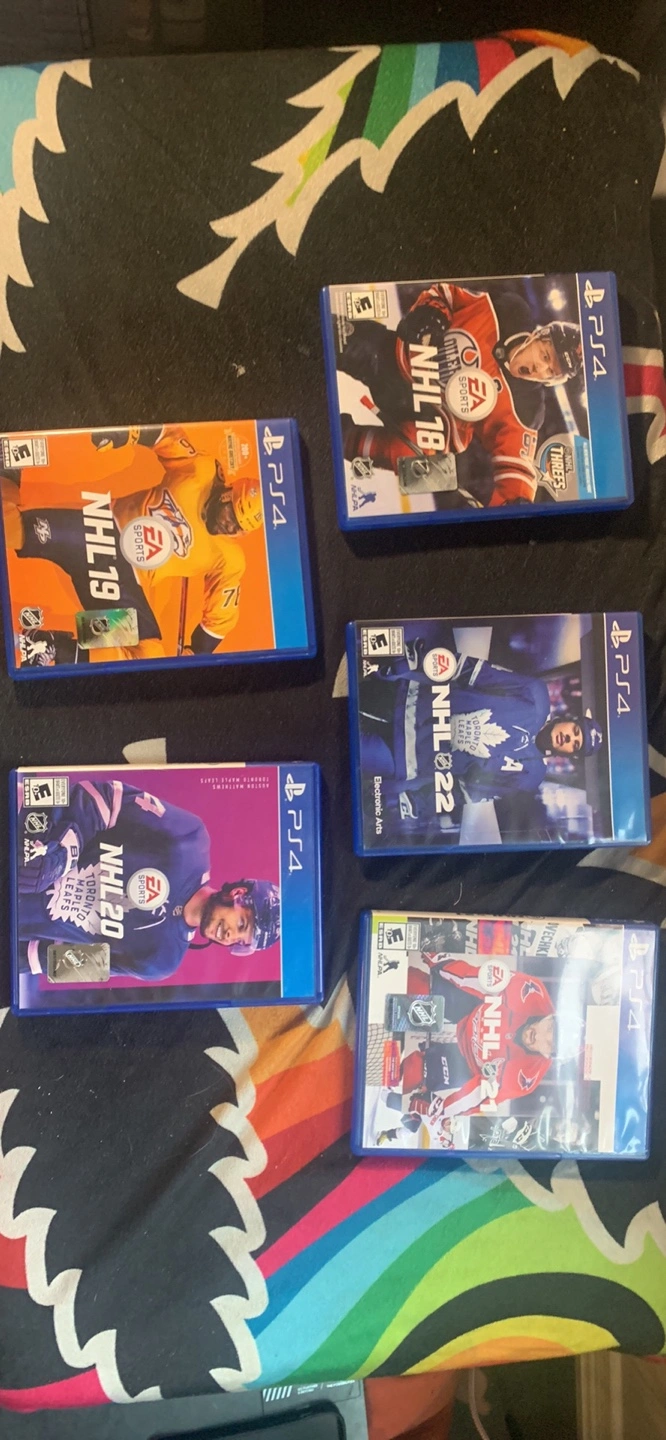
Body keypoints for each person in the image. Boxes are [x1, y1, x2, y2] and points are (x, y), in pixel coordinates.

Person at [2, 424, 263, 661]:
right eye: (232, 516)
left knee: (147, 653)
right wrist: (128, 434)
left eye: (239, 529)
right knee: (12, 528)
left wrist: (195, 654)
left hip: (124, 581)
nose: (230, 527)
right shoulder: (200, 471)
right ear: (227, 495)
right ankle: (6, 474)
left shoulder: (230, 559)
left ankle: (51, 646)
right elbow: (169, 436)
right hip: (98, 530)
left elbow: (220, 619)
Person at [337, 280, 582, 507]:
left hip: (427, 423)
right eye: (545, 356)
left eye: (551, 372)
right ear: (538, 335)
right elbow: (446, 294)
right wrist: (432, 311)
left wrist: (517, 504)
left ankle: (342, 441)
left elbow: (519, 473)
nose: (540, 369)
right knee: (335, 337)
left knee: (427, 472)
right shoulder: (509, 311)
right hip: (395, 359)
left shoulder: (528, 408)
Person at [17, 775, 279, 980]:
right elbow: (105, 796)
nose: (230, 936)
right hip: (21, 830)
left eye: (239, 941)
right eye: (242, 924)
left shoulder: (161, 962)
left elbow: (54, 962)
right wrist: (65, 851)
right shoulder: (190, 840)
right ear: (238, 894)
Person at [399, 957, 558, 1120]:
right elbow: (478, 979)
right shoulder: (532, 991)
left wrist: (441, 1110)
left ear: (549, 1056)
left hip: (468, 1063)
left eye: (550, 1044)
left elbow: (480, 1096)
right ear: (551, 1017)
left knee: (412, 1072)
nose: (539, 1036)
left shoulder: (526, 1077)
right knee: (415, 986)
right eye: (550, 1028)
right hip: (471, 1007)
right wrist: (442, 963)